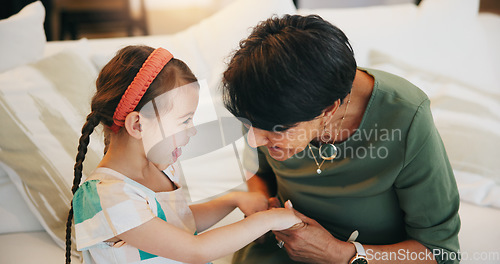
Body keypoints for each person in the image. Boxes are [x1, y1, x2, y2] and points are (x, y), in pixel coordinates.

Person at [222, 15, 460, 264]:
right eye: (250, 125)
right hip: (279, 249)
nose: (254, 140)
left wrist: (338, 253)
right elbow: (260, 173)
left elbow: (441, 252)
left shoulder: (406, 116)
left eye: (275, 130)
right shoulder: (261, 100)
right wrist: (261, 204)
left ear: (328, 110)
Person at [64, 45, 303, 264]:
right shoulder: (105, 197)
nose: (192, 130)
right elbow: (195, 250)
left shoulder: (161, 169)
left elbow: (180, 222)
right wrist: (270, 220)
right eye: (184, 120)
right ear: (137, 125)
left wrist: (233, 200)